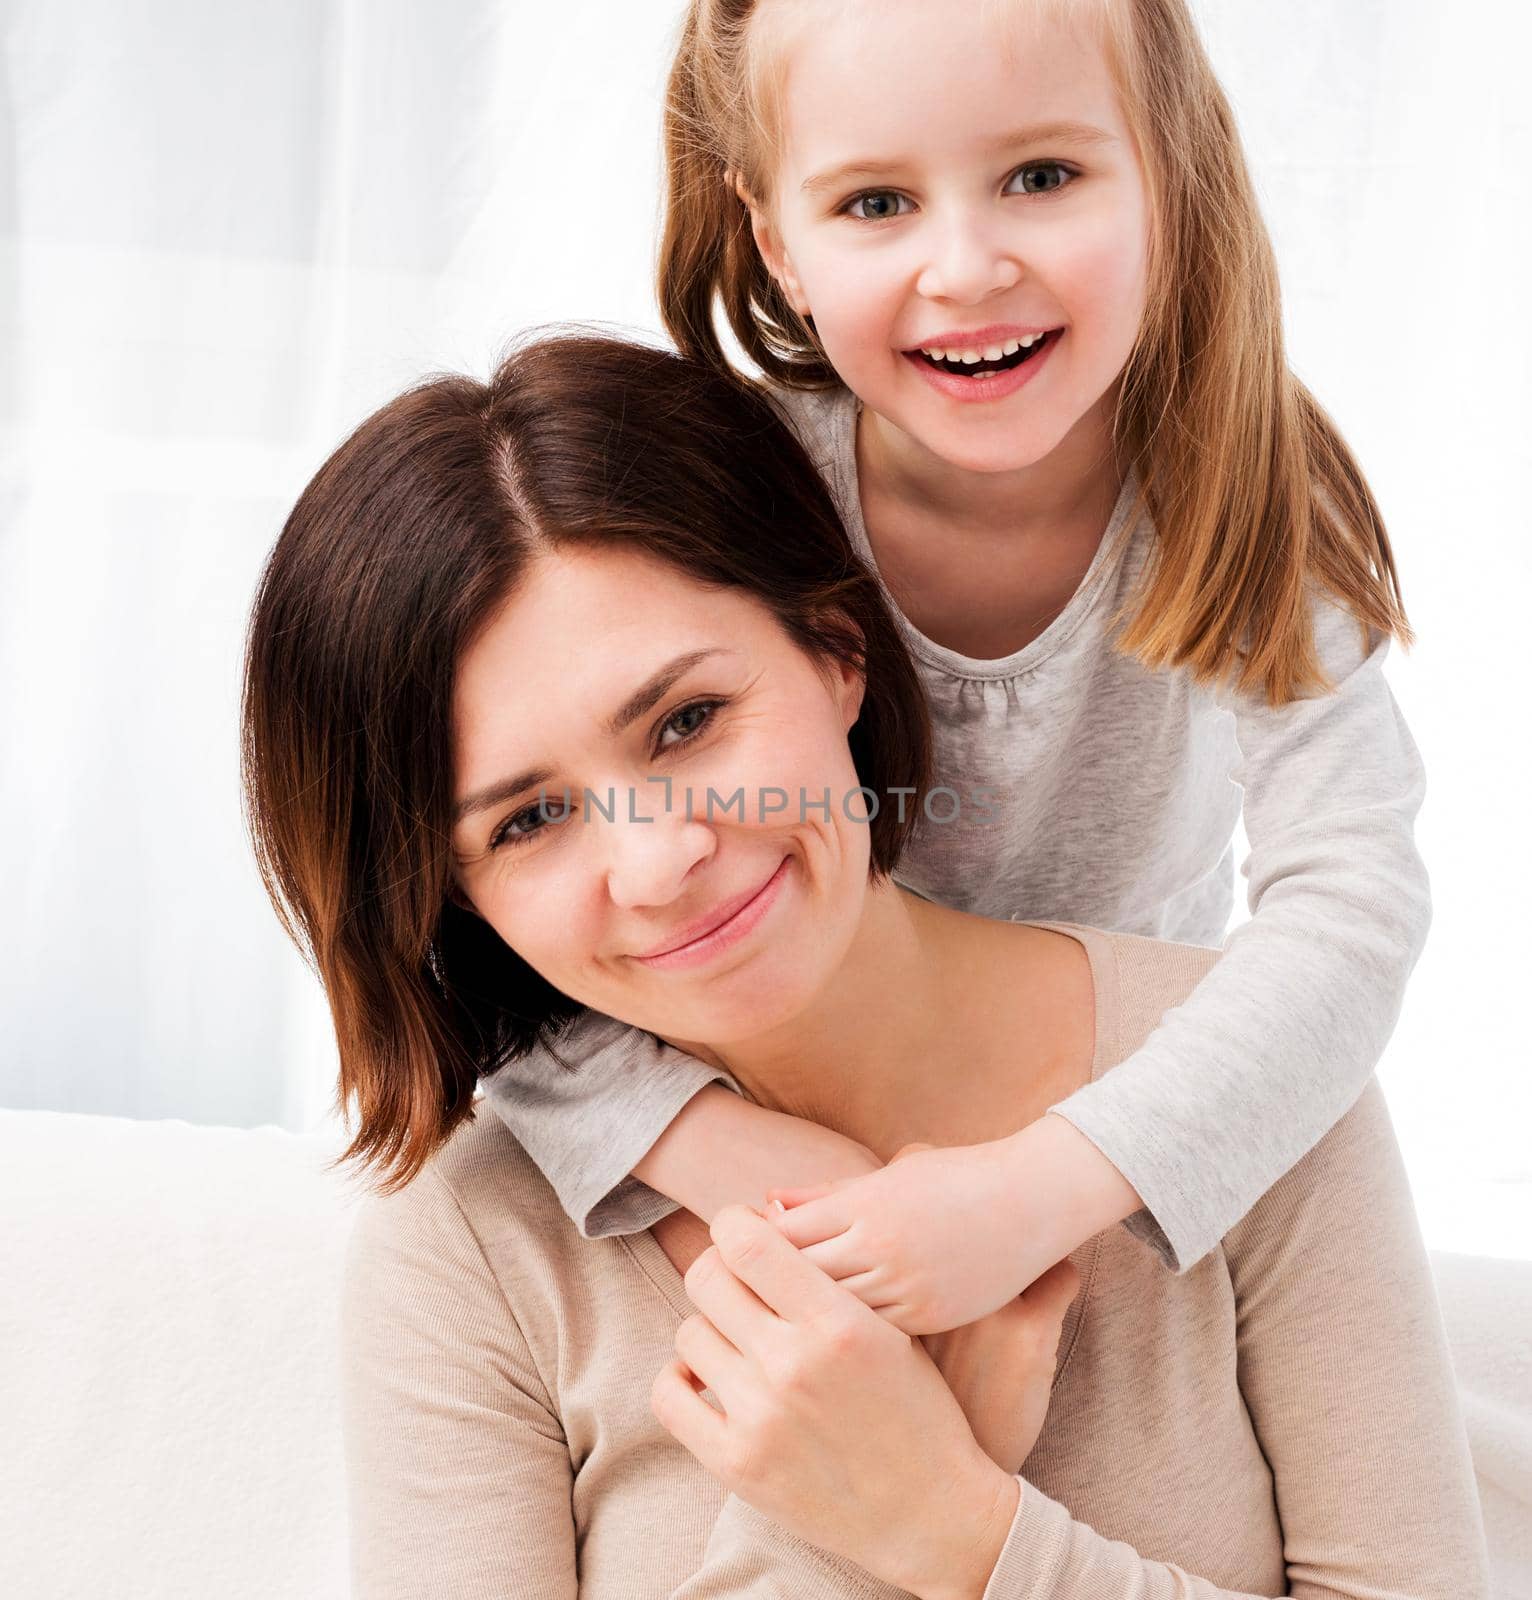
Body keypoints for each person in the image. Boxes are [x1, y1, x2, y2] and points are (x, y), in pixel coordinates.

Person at [241, 332, 1488, 1596]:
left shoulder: (1250, 1075)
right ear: (450, 896)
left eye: (685, 722)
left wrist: (957, 1529)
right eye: (526, 820)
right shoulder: (473, 1251)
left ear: (837, 653)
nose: (660, 859)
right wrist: (843, 1513)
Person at [476, 0, 1440, 1341]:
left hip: (1102, 1161)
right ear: (779, 245)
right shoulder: (741, 491)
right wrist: (699, 1139)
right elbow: (497, 899)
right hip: (805, 1145)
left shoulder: (1249, 493)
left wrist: (1036, 1192)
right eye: (875, 202)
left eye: (1040, 178)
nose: (967, 266)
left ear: (1165, 169)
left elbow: (1352, 902)